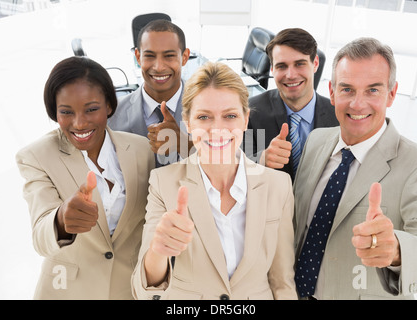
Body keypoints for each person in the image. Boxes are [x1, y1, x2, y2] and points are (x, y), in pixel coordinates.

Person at [131, 62, 297, 300]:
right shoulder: (163, 183)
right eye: (204, 117)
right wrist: (159, 251)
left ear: (245, 119)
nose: (217, 129)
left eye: (230, 116)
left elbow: (282, 282)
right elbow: (144, 289)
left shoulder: (278, 186)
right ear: (187, 123)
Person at [293, 37, 417, 300]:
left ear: (391, 94)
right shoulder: (316, 140)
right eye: (347, 89)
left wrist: (396, 251)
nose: (358, 104)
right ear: (332, 92)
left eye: (372, 90)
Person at [15, 56, 155, 299]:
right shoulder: (36, 156)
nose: (79, 124)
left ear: (110, 106)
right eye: (66, 112)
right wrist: (60, 221)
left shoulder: (141, 149)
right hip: (69, 291)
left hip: (129, 289)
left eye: (91, 109)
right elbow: (40, 236)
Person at [245, 28, 338, 181]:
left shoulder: (338, 116)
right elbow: (236, 165)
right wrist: (262, 159)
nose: (291, 75)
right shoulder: (252, 112)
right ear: (272, 69)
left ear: (315, 64)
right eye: (282, 66)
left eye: (299, 64)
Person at [108, 19, 193, 166]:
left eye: (169, 56)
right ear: (138, 57)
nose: (159, 67)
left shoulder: (213, 109)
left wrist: (185, 145)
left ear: (184, 57)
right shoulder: (112, 116)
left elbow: (234, 166)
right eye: (150, 56)